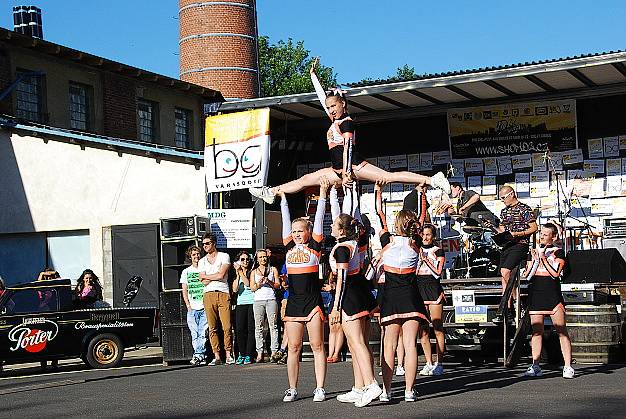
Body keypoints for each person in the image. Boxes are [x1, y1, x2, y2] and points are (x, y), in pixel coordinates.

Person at [248, 60, 450, 204]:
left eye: (334, 106)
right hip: (337, 170)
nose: (331, 110)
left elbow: (348, 148)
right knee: (304, 181)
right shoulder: (334, 119)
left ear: (343, 104)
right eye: (329, 108)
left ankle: (433, 179)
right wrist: (313, 77)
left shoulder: (346, 123)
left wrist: (346, 173)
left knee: (388, 176)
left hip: (352, 166)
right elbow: (322, 99)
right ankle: (271, 191)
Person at [374, 180, 428, 402]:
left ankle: (386, 391)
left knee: (389, 344)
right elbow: (424, 214)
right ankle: (408, 391)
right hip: (411, 297)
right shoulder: (416, 242)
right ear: (414, 226)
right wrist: (422, 194)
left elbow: (379, 213)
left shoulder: (387, 239)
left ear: (397, 224)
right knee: (410, 345)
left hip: (391, 297)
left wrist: (378, 190)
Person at [279, 178, 329, 403]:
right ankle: (292, 388)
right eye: (294, 231)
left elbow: (318, 220)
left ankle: (320, 388)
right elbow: (285, 221)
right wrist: (282, 200)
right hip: (294, 303)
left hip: (313, 302)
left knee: (318, 346)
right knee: (294, 347)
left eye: (301, 230)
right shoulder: (289, 247)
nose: (297, 234)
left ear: (309, 232)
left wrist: (323, 193)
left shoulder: (316, 248)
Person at [330, 212, 380, 407]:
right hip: (361, 294)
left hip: (350, 298)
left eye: (334, 224)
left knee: (357, 343)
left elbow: (341, 280)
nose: (332, 227)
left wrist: (336, 307)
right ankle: (359, 387)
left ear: (342, 230)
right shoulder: (354, 244)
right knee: (356, 343)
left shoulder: (343, 248)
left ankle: (371, 384)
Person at [523, 223, 574, 379]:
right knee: (536, 332)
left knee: (561, 330)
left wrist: (544, 259)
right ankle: (536, 364)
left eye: (546, 234)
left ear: (554, 236)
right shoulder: (533, 252)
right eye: (541, 234)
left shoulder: (559, 252)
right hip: (536, 293)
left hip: (552, 294)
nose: (542, 236)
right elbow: (528, 275)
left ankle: (567, 366)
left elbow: (555, 274)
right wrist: (535, 259)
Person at [487, 186, 538, 315]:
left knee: (505, 271)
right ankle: (507, 308)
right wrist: (492, 227)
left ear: (512, 194)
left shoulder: (524, 208)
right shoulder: (504, 211)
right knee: (504, 277)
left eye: (503, 197)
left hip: (520, 244)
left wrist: (518, 234)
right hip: (507, 245)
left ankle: (517, 302)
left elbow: (534, 227)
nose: (502, 200)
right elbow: (502, 231)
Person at [199, 232, 235, 366]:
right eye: (203, 244)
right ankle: (217, 355)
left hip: (223, 293)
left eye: (207, 243)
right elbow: (202, 281)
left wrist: (209, 276)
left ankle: (228, 354)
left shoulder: (224, 256)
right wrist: (214, 275)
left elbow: (221, 275)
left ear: (214, 243)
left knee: (226, 326)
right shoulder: (202, 261)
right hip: (208, 294)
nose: (205, 246)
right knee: (212, 327)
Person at [416, 225, 447, 376]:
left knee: (437, 327)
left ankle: (439, 363)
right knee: (423, 330)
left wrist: (426, 260)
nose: (425, 237)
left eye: (428, 235)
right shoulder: (416, 250)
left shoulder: (438, 251)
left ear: (433, 236)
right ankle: (428, 362)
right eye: (423, 235)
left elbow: (437, 273)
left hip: (433, 289)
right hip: (419, 289)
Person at [250, 249, 281, 363]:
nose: (263, 259)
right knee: (258, 326)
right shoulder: (254, 272)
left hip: (271, 299)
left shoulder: (273, 269)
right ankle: (260, 352)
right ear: (257, 259)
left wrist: (269, 282)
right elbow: (252, 288)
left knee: (273, 326)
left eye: (264, 257)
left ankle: (274, 351)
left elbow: (278, 285)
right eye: (260, 257)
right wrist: (259, 284)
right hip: (258, 300)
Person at [179, 246, 206, 365]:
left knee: (203, 332)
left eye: (198, 254)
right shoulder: (186, 272)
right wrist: (188, 305)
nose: (196, 256)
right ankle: (201, 356)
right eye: (194, 255)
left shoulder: (205, 269)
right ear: (190, 257)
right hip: (192, 307)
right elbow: (184, 290)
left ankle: (198, 355)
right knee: (194, 333)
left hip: (204, 306)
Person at [232, 250, 255, 365]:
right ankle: (241, 352)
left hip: (251, 302)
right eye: (242, 259)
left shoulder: (252, 272)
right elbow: (235, 289)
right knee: (240, 329)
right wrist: (237, 275)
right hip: (240, 303)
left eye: (247, 259)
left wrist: (241, 273)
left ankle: (249, 354)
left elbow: (248, 284)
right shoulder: (237, 274)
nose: (245, 261)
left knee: (251, 329)